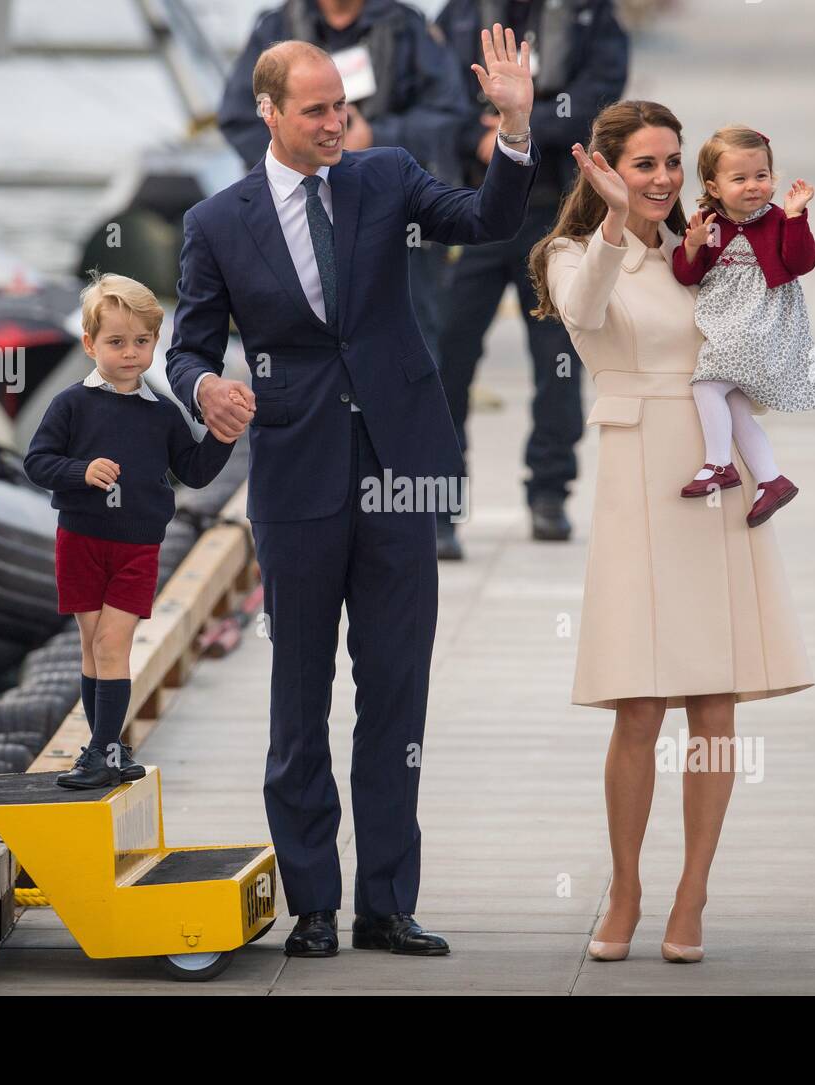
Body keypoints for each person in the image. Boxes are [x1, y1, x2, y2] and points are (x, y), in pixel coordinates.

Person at [167, 28, 539, 957]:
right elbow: (186, 345)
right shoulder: (217, 222)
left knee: (396, 693)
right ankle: (315, 904)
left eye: (343, 106)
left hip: (402, 467)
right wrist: (203, 387)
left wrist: (515, 125)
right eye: (318, 111)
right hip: (296, 475)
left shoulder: (387, 175)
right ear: (269, 114)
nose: (339, 123)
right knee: (299, 695)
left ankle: (385, 901)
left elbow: (486, 219)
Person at [530, 101, 814, 963]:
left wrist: (780, 232)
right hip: (635, 475)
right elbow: (585, 311)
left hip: (715, 468)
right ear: (604, 168)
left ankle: (693, 891)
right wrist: (615, 220)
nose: (658, 179)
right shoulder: (574, 251)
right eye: (641, 164)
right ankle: (626, 885)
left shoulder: (715, 244)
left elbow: (757, 335)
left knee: (714, 699)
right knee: (638, 702)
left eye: (669, 164)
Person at [23, 272, 237, 789]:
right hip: (80, 540)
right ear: (90, 343)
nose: (130, 353)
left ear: (156, 343)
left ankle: (100, 752)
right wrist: (82, 471)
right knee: (94, 644)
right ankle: (109, 749)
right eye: (116, 342)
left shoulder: (163, 412)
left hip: (138, 545)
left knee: (114, 644)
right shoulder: (71, 404)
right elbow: (37, 461)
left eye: (142, 342)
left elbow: (193, 470)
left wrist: (223, 435)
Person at [432, 0, 629, 558]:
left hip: (554, 213)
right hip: (466, 210)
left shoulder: (590, 13)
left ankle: (549, 492)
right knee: (445, 358)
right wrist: (478, 137)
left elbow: (604, 95)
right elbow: (434, 92)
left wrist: (520, 128)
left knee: (559, 361)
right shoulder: (461, 13)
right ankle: (440, 505)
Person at [217, 0, 466, 369]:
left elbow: (448, 113)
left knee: (412, 348)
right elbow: (239, 118)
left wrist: (373, 139)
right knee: (298, 347)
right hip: (296, 217)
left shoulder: (407, 27)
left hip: (392, 219)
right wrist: (300, 160)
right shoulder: (274, 28)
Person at [670, 125, 815, 527]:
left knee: (707, 382)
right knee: (736, 404)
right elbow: (688, 275)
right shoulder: (710, 223)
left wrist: (795, 218)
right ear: (714, 185)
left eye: (761, 176)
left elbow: (802, 262)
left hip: (761, 324)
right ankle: (771, 479)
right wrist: (691, 246)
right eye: (739, 179)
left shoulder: (777, 219)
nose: (753, 186)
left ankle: (719, 463)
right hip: (728, 324)